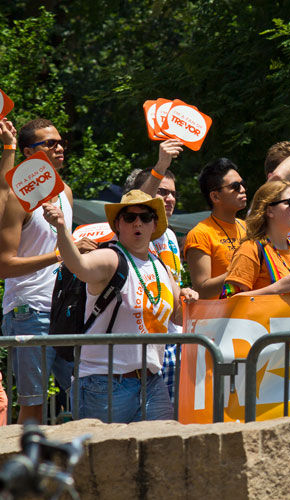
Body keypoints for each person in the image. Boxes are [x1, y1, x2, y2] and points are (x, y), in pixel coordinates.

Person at [42, 190, 197, 422]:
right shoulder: (110, 258)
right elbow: (79, 265)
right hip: (103, 382)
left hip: (151, 381)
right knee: (102, 457)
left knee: (161, 454)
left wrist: (187, 296)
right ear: (118, 224)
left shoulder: (160, 266)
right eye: (130, 217)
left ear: (154, 225)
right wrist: (62, 229)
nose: (138, 222)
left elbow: (177, 316)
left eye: (145, 217)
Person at [0, 118, 96, 423]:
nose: (59, 148)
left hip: (66, 310)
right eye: (49, 144)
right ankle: (22, 469)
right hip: (28, 312)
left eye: (60, 142)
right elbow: (4, 265)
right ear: (29, 153)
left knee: (88, 394)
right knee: (33, 407)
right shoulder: (18, 199)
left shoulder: (65, 192)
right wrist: (60, 255)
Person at [130, 139, 190, 401]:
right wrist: (162, 164)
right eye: (163, 192)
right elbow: (139, 202)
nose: (170, 198)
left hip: (174, 340)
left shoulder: (171, 237)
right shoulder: (135, 230)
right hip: (146, 345)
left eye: (173, 193)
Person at [184, 158, 247, 298]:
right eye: (235, 186)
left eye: (242, 184)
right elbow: (201, 289)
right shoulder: (200, 234)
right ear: (215, 196)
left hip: (251, 315)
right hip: (219, 317)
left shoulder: (248, 227)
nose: (243, 190)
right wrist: (237, 272)